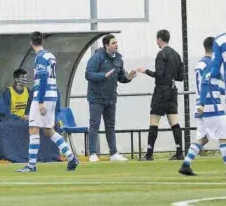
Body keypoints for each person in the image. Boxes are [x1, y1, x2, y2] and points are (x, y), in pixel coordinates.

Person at [16, 31, 78, 172]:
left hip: (42, 96)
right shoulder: (51, 56)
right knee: (49, 131)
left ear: (31, 42)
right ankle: (71, 157)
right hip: (53, 95)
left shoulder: (40, 58)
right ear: (42, 41)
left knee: (33, 128)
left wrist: (40, 101)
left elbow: (43, 79)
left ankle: (31, 165)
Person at [85, 34, 137, 162]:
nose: (116, 45)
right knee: (94, 125)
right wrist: (104, 75)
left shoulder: (119, 59)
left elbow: (121, 76)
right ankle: (93, 153)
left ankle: (113, 154)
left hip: (111, 98)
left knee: (110, 126)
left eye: (116, 43)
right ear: (106, 45)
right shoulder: (97, 57)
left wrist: (128, 78)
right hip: (96, 98)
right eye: (113, 43)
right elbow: (89, 74)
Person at [179, 36, 226, 175]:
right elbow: (210, 84)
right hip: (211, 104)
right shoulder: (212, 64)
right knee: (224, 137)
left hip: (200, 104)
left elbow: (208, 84)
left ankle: (186, 164)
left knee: (202, 138)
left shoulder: (199, 64)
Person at [137, 29, 184, 161]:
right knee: (174, 121)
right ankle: (179, 152)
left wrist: (145, 71)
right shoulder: (176, 54)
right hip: (173, 90)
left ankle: (149, 154)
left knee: (154, 121)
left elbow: (159, 74)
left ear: (159, 39)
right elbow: (181, 77)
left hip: (161, 91)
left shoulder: (161, 54)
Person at [198, 32, 226, 113]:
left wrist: (201, 103)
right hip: (213, 105)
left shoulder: (201, 63)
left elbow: (206, 80)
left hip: (203, 103)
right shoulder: (209, 64)